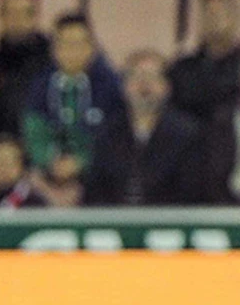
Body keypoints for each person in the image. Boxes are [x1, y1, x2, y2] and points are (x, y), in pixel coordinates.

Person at [84, 50, 217, 205]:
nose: (144, 84)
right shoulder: (107, 133)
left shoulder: (187, 134)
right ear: (124, 86)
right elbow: (95, 190)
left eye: (152, 77)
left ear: (167, 87)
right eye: (136, 76)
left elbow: (192, 193)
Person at [21, 14, 124, 205]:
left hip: (96, 176)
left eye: (78, 44)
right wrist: (49, 162)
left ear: (92, 47)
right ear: (54, 49)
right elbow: (33, 132)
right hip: (47, 174)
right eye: (64, 44)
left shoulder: (111, 88)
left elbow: (115, 136)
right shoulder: (40, 86)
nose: (71, 51)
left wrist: (82, 162)